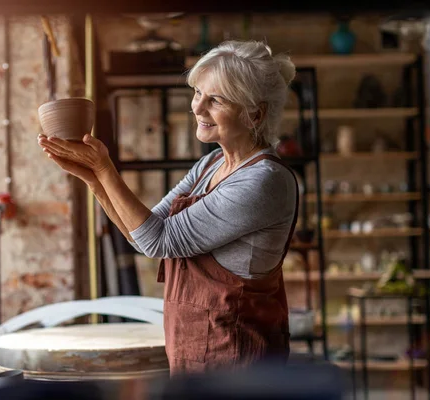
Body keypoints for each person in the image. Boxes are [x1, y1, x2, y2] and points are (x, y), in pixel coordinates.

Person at [37, 40, 298, 376]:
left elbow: (158, 241)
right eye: (198, 94)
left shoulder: (264, 182)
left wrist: (105, 169)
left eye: (215, 99)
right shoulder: (210, 164)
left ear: (255, 114)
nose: (198, 108)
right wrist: (93, 180)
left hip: (239, 366)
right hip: (195, 358)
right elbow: (140, 236)